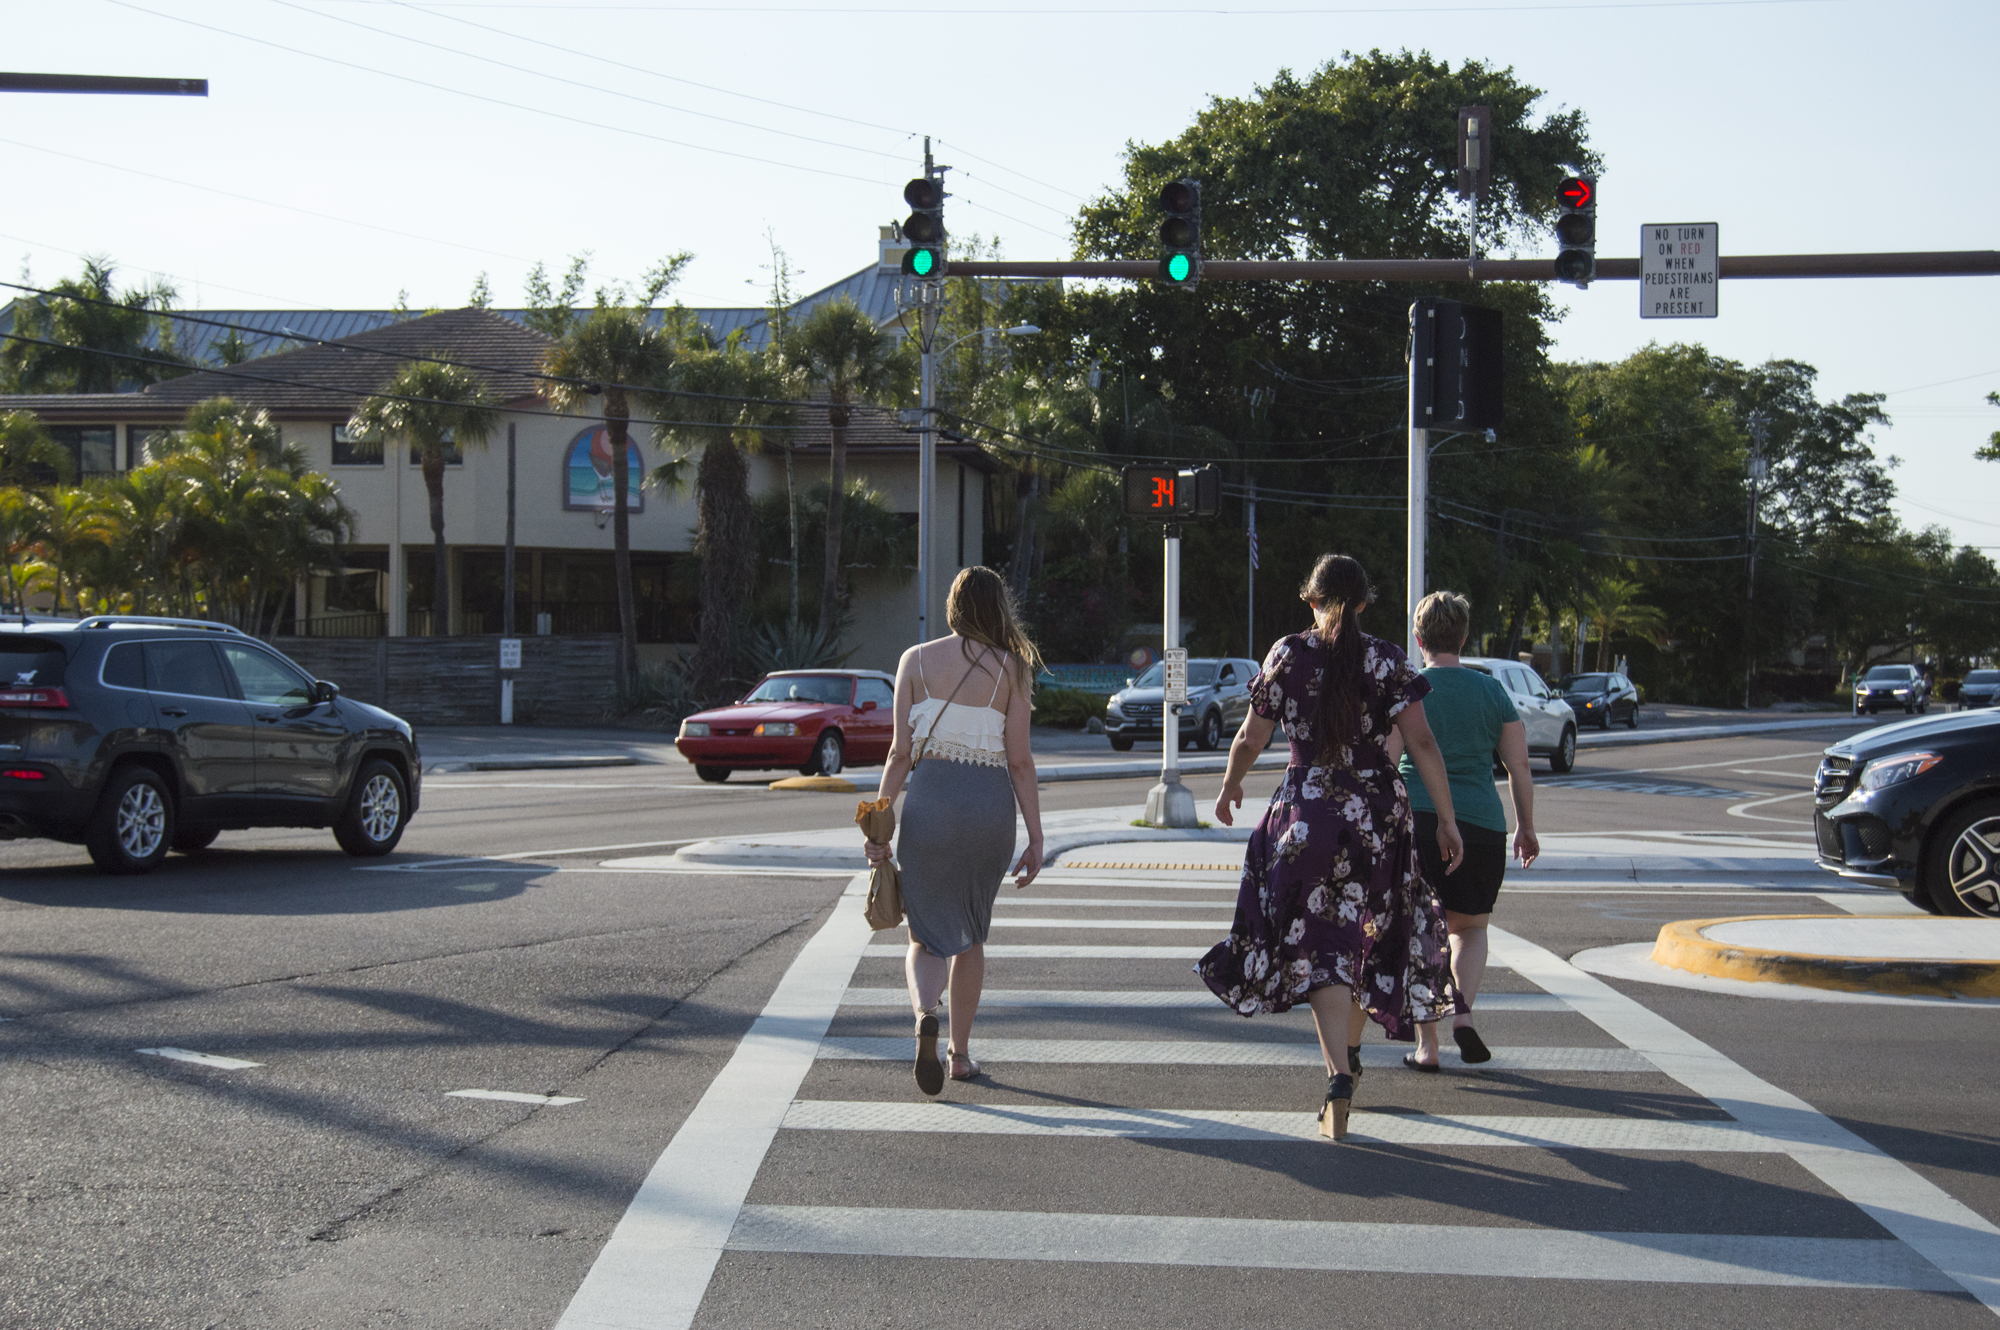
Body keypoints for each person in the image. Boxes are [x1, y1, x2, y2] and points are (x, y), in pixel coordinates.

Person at [1197, 554, 1464, 1141]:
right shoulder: (1389, 659)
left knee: (1322, 945)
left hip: (1308, 813)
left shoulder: (1288, 654)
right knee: (1368, 936)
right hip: (1377, 815)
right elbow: (1420, 741)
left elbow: (1250, 735)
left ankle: (1339, 1071)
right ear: (1364, 603)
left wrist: (1229, 786)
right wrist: (1446, 820)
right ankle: (1349, 1055)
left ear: (1309, 601)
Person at [864, 567, 1045, 1096]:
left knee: (926, 936)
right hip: (989, 809)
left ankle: (925, 1012)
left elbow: (900, 753)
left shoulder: (914, 661)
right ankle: (959, 1055)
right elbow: (1021, 762)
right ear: (997, 609)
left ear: (952, 606)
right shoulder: (1013, 670)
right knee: (971, 932)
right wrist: (1035, 838)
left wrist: (879, 821)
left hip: (931, 805)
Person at [1386, 591, 1540, 1072]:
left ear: (1418, 638)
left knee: (1419, 932)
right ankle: (1464, 1013)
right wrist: (1526, 827)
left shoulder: (1407, 688)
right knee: (1470, 928)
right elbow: (1519, 767)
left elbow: (1389, 761)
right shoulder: (1491, 691)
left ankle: (1427, 1047)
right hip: (1481, 825)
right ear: (1465, 636)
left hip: (1419, 818)